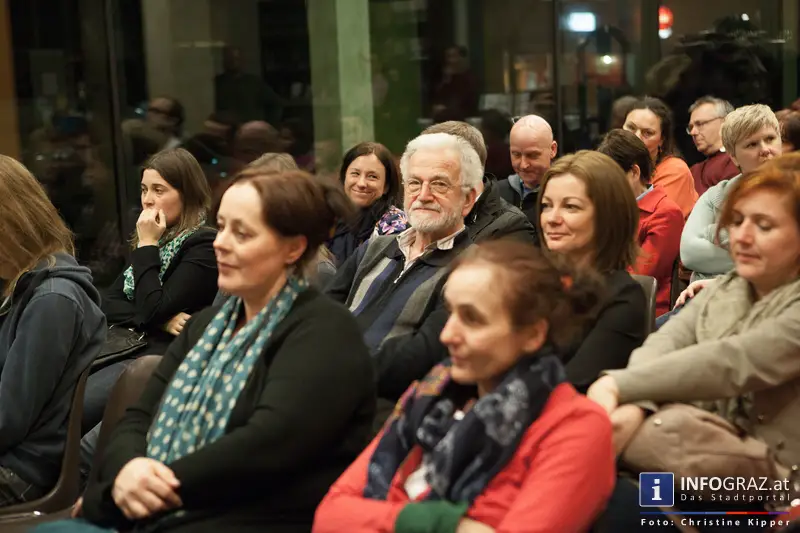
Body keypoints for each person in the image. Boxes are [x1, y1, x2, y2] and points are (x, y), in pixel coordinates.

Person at [64, 169, 377, 533]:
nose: (220, 243)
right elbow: (137, 418)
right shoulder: (205, 324)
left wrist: (128, 492)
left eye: (241, 233)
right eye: (222, 226)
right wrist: (128, 471)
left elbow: (265, 444)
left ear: (293, 247)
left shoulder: (326, 331)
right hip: (163, 510)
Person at [313, 241, 615, 533]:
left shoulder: (575, 429)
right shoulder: (431, 392)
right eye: (450, 312)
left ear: (533, 335)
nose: (446, 335)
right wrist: (443, 524)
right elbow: (330, 516)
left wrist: (376, 518)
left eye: (472, 319)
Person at [588, 154, 800, 530]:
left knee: (607, 464)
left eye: (763, 225)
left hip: (775, 492)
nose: (742, 237)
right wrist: (638, 403)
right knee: (616, 499)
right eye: (736, 222)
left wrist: (618, 386)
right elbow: (664, 343)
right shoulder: (730, 288)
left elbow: (733, 362)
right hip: (698, 464)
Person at [326, 132, 479, 405]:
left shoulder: (473, 269)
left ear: (468, 199)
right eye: (414, 183)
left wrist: (336, 373)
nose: (423, 196)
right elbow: (321, 312)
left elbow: (420, 356)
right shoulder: (375, 248)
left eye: (439, 185)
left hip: (384, 407)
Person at [83, 148, 218, 434]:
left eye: (159, 190)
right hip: (126, 346)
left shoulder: (203, 246)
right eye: (144, 189)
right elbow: (109, 303)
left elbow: (150, 307)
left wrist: (146, 246)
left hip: (155, 360)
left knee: (79, 413)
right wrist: (164, 319)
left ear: (187, 194)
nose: (147, 199)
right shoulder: (160, 240)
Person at [0, 156, 106, 506]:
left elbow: (8, 419)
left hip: (22, 469)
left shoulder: (53, 299)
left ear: (11, 223)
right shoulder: (20, 286)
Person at [538, 151, 647, 392]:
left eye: (571, 207)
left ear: (608, 216)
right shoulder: (536, 282)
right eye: (546, 206)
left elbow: (569, 390)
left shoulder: (624, 299)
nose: (551, 218)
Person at [681, 104, 782, 282]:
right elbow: (690, 254)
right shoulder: (716, 195)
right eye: (752, 144)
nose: (765, 149)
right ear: (733, 156)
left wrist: (712, 233)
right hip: (704, 299)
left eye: (770, 138)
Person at [598, 129, 684, 316]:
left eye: (612, 178)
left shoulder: (665, 213)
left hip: (642, 311)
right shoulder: (611, 207)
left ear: (634, 172)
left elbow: (640, 276)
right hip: (605, 300)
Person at [422, 120, 537, 244]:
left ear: (468, 170)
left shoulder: (512, 227)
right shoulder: (419, 211)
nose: (423, 195)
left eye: (437, 178)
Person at [328, 142, 407, 265]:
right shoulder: (330, 217)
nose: (361, 183)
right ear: (344, 178)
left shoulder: (394, 226)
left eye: (372, 177)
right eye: (355, 174)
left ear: (386, 186)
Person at [624, 96, 698, 217]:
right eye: (631, 128)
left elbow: (651, 221)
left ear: (662, 140)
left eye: (647, 133)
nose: (636, 137)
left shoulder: (675, 170)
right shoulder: (610, 162)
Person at [497, 115, 558, 232]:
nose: (523, 165)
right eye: (516, 155)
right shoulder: (497, 193)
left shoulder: (566, 192)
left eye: (532, 155)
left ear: (553, 149)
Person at [687, 96, 739, 194]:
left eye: (700, 124)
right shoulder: (693, 171)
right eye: (690, 127)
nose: (693, 132)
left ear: (725, 122)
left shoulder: (737, 159)